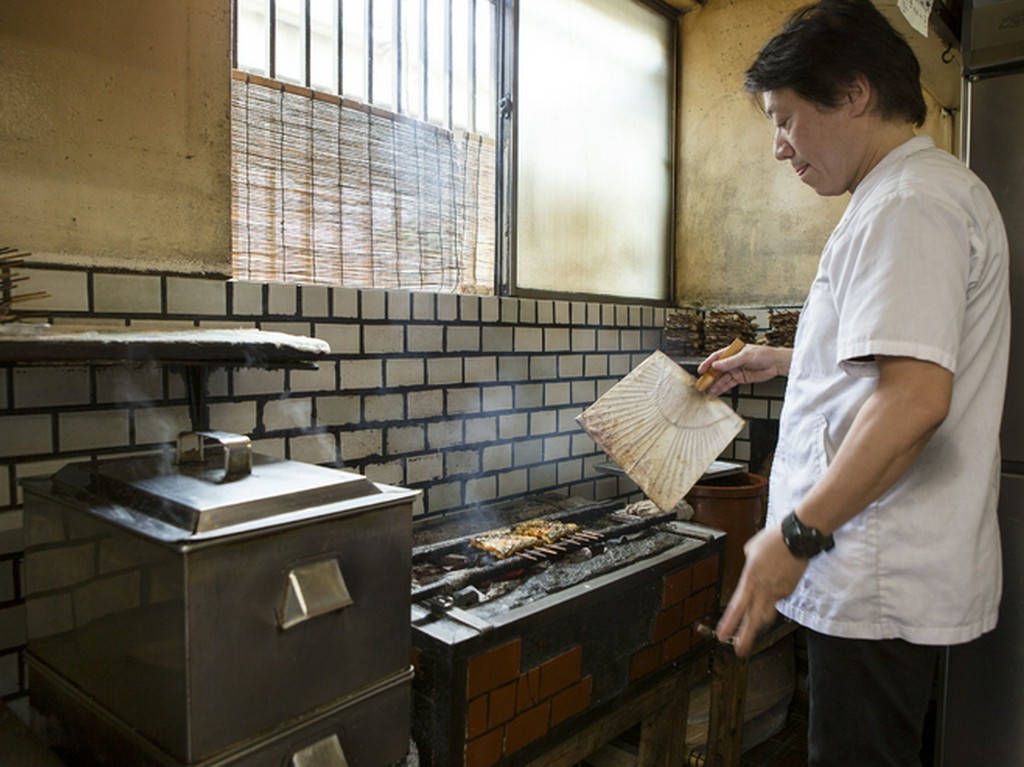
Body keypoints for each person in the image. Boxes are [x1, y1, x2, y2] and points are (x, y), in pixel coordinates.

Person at [696, 1, 1011, 764]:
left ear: (852, 91)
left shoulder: (908, 201)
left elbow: (912, 401)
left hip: (874, 573)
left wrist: (792, 537)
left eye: (785, 118)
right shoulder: (909, 192)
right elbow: (898, 356)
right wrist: (781, 359)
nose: (779, 147)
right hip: (881, 577)